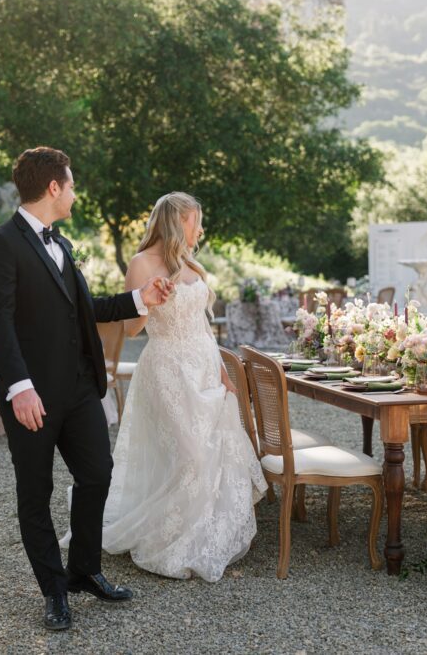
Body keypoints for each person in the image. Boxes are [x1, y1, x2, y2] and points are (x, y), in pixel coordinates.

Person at [0, 146, 173, 631]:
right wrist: (19, 387)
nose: (76, 192)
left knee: (98, 473)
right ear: (53, 188)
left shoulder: (60, 243)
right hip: (31, 396)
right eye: (72, 184)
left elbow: (84, 309)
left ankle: (84, 570)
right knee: (35, 492)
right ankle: (54, 590)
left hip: (80, 389)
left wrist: (137, 299)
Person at [95, 191, 267, 581]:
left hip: (204, 366)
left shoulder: (191, 263)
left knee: (211, 453)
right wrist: (150, 299)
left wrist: (222, 370)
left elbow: (203, 325)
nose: (200, 228)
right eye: (195, 221)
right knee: (187, 455)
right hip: (168, 368)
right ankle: (168, 538)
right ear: (177, 221)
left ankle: (202, 538)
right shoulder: (141, 263)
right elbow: (132, 327)